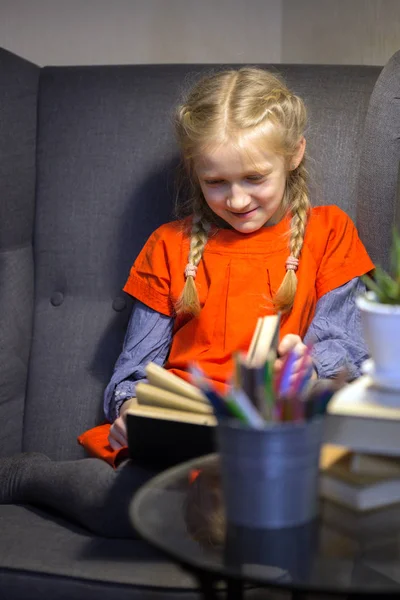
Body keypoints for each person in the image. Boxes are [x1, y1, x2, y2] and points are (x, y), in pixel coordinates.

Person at [0, 67, 374, 538]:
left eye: (255, 178)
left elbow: (348, 352)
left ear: (294, 154)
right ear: (194, 170)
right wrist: (130, 411)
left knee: (296, 512)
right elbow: (135, 369)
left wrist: (310, 370)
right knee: (132, 510)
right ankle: (35, 474)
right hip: (185, 430)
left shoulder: (329, 231)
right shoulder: (169, 245)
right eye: (216, 181)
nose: (236, 199)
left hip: (280, 433)